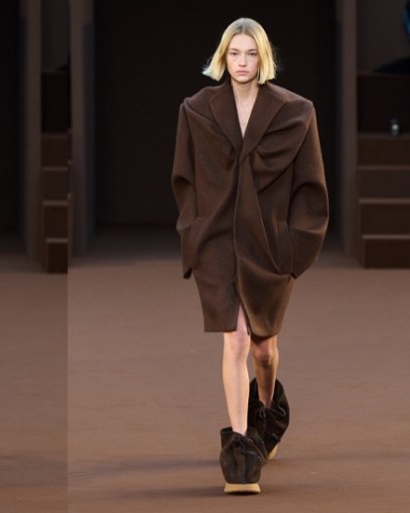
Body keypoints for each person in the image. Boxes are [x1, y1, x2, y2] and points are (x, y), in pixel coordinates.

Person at [171, 17, 328, 495]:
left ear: (264, 58)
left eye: (251, 53)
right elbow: (184, 179)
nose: (242, 62)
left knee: (263, 348)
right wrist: (194, 233)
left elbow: (311, 187)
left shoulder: (295, 113)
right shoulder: (197, 110)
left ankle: (267, 406)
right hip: (218, 240)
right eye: (235, 53)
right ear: (223, 57)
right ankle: (240, 452)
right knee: (236, 340)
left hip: (267, 245)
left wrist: (293, 245)